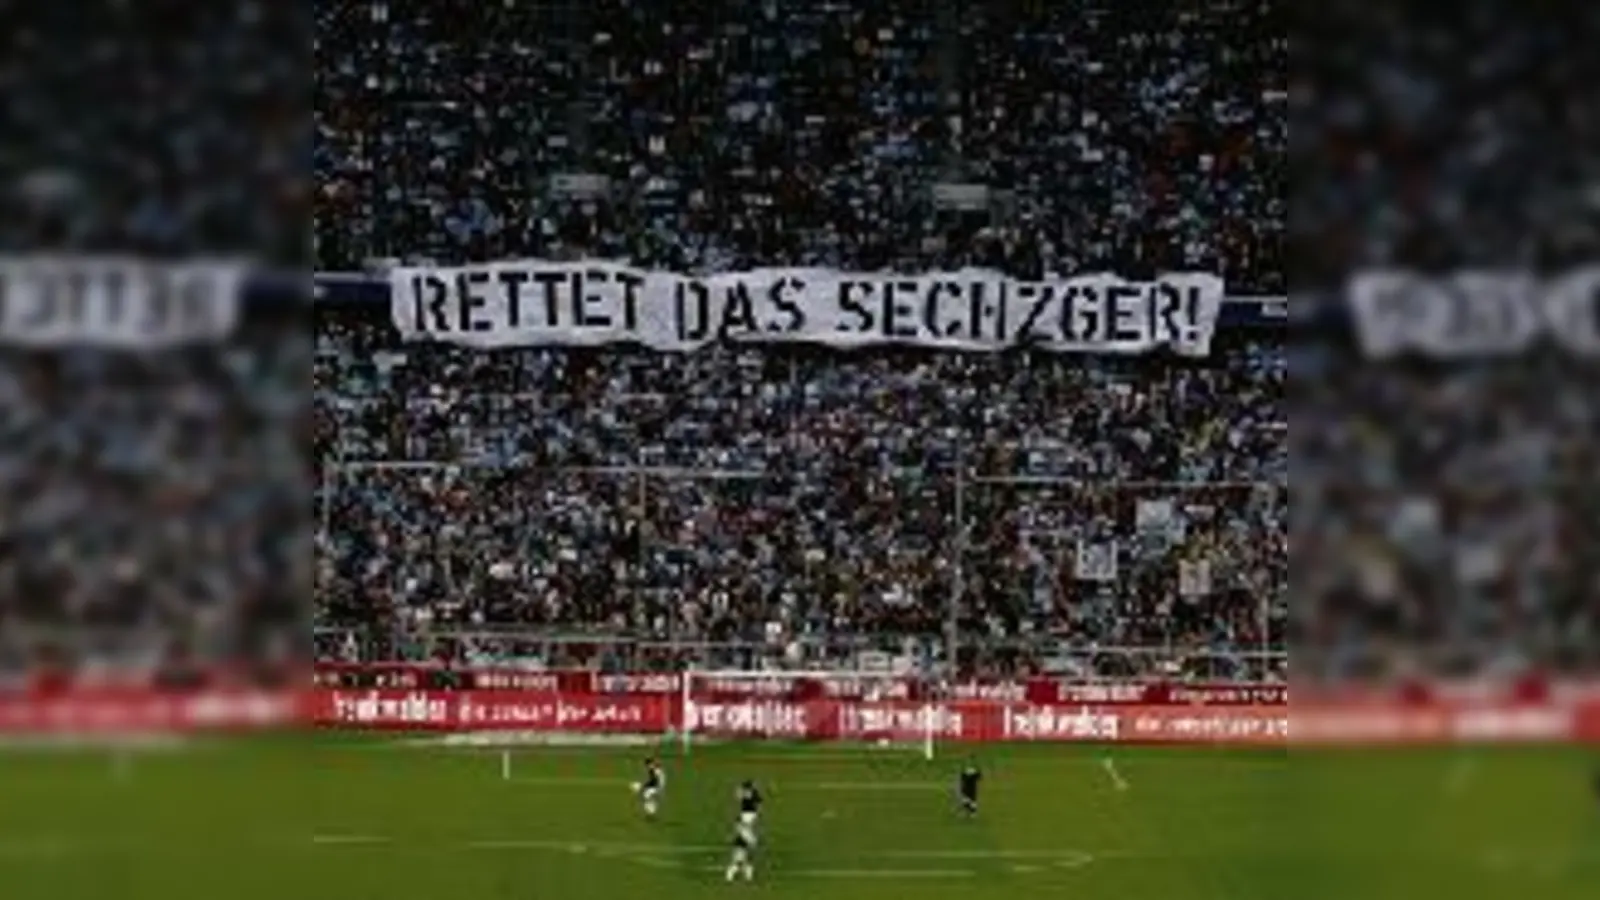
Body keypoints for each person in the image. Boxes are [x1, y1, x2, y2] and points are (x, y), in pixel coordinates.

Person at [724, 815, 757, 882]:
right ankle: (730, 876)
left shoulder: (743, 829)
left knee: (743, 862)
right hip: (742, 847)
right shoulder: (743, 829)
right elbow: (747, 839)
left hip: (742, 846)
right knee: (740, 862)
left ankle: (747, 876)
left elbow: (748, 838)